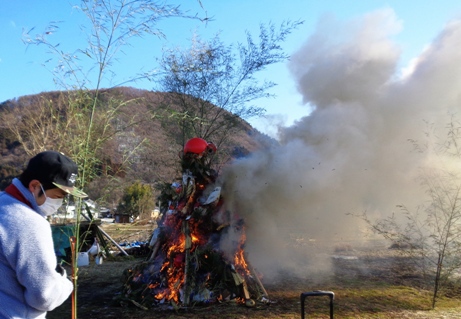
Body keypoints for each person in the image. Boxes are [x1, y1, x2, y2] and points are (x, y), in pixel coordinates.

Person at [0, 150, 87, 318]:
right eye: (58, 196)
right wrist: (64, 281)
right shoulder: (29, 223)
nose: (59, 203)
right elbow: (44, 296)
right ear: (34, 186)